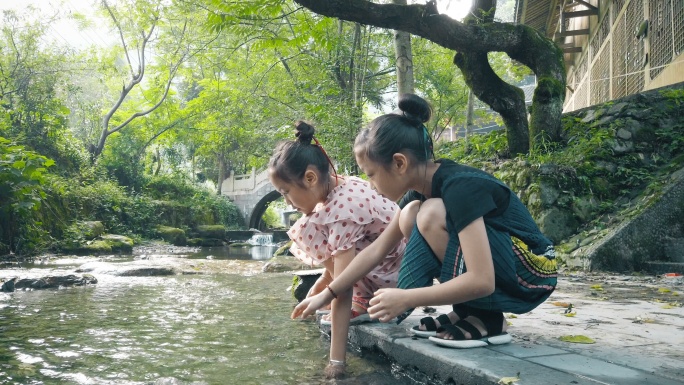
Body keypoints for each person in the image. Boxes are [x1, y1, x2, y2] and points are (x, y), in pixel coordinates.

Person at [291, 93, 558, 349]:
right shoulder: (417, 193)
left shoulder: (459, 187)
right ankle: (468, 311)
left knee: (429, 214)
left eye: (371, 175)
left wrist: (407, 297)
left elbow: (483, 279)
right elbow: (376, 250)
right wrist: (330, 292)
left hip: (534, 271)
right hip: (507, 262)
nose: (371, 187)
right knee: (411, 215)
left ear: (399, 163)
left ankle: (488, 317)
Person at [268, 121, 405, 377]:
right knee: (308, 224)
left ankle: (363, 301)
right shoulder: (341, 185)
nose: (287, 202)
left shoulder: (342, 212)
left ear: (310, 178)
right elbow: (337, 263)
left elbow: (343, 286)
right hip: (392, 262)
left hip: (394, 275)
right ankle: (363, 297)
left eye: (286, 193)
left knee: (306, 228)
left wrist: (337, 364)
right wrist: (317, 291)